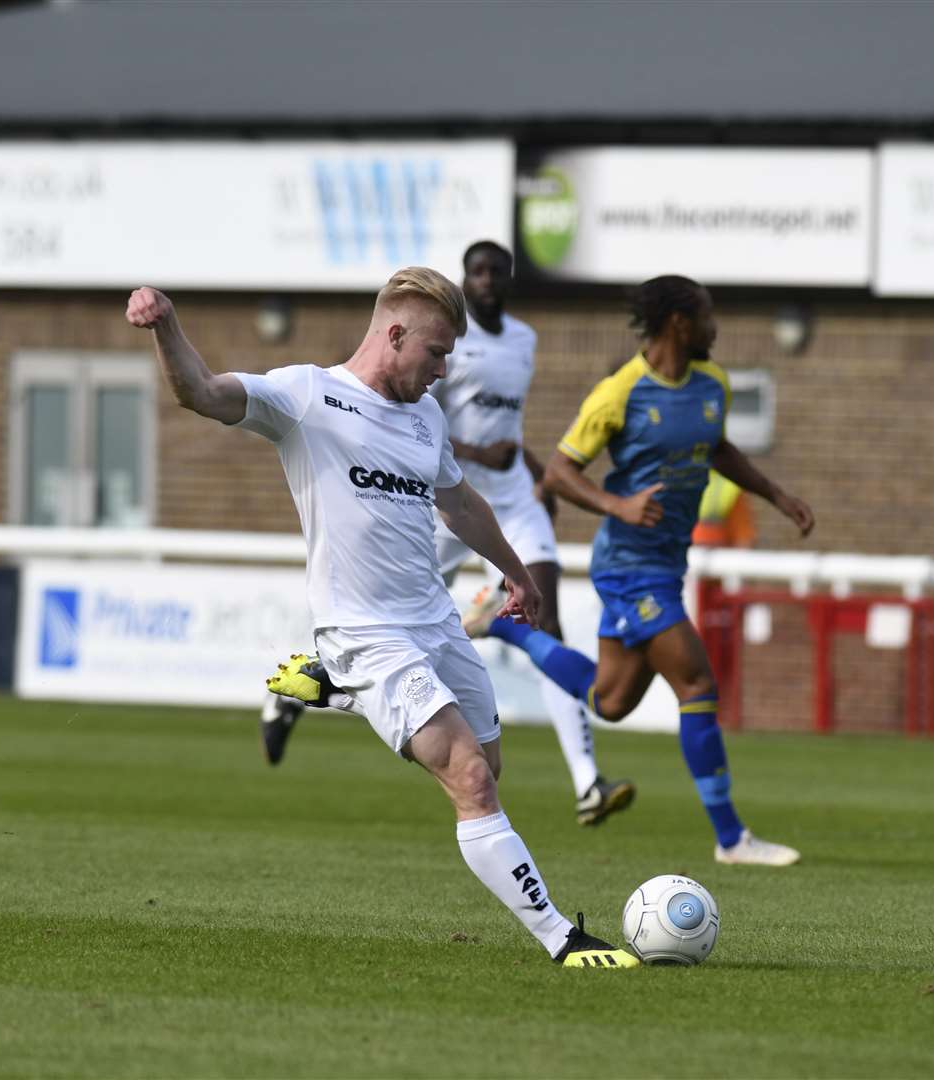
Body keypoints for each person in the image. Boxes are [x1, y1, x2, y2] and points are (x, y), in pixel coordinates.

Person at [127, 268, 636, 966]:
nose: (445, 369)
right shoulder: (308, 396)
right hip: (364, 630)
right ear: (393, 334)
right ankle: (563, 937)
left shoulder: (427, 416)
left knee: (489, 764)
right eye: (436, 352)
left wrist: (515, 571)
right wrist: (166, 326)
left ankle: (338, 689)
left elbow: (458, 505)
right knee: (470, 779)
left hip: (435, 624)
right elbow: (202, 392)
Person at [262, 240, 635, 829]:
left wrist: (536, 473)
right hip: (425, 499)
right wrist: (479, 452)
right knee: (392, 626)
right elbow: (396, 419)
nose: (486, 281)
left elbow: (502, 424)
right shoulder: (434, 339)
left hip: (501, 497)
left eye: (496, 272)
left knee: (544, 617)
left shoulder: (524, 341)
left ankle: (588, 781)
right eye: (476, 272)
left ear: (510, 280)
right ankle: (316, 686)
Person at [466, 274, 814, 867]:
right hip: (629, 566)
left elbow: (716, 447)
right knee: (698, 683)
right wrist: (617, 504)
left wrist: (776, 495)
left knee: (611, 700)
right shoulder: (620, 393)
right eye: (706, 315)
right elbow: (559, 471)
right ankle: (731, 839)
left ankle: (504, 627)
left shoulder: (713, 384)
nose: (715, 328)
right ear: (679, 322)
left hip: (665, 565)